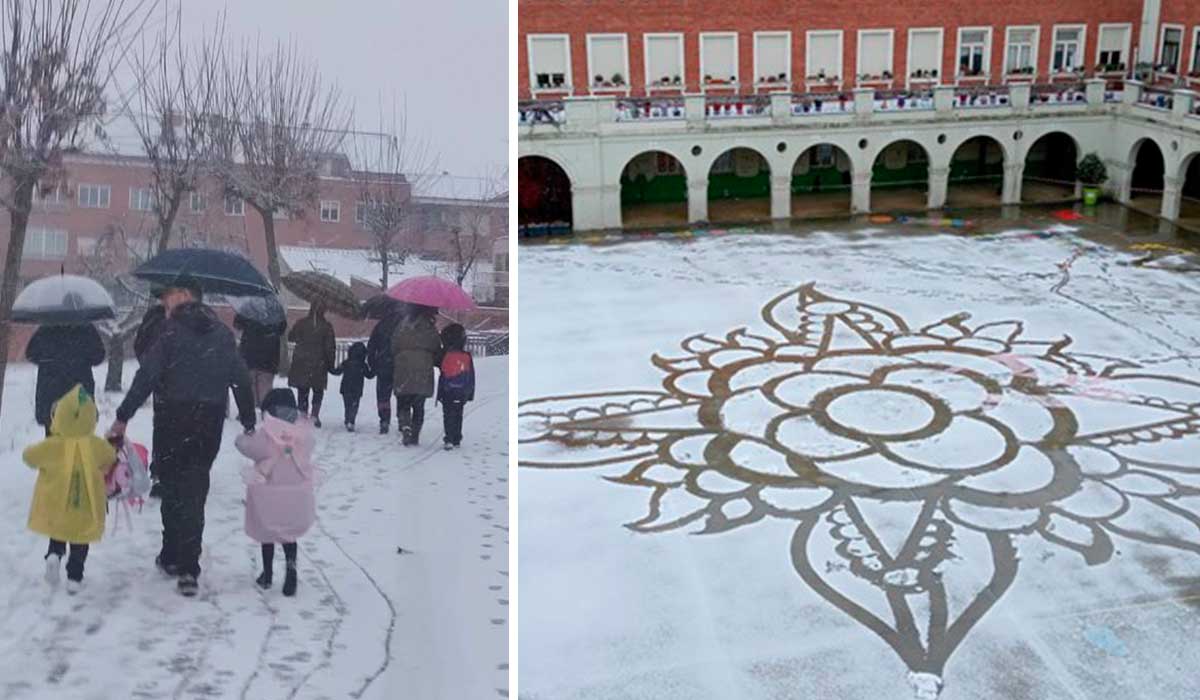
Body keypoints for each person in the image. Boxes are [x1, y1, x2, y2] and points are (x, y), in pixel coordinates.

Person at [109, 279, 256, 598]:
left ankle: (173, 555)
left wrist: (123, 416)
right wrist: (248, 419)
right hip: (209, 420)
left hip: (172, 418)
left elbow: (146, 375)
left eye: (168, 298)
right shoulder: (221, 334)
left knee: (172, 486)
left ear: (185, 296)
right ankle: (188, 566)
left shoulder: (169, 332)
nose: (165, 304)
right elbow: (241, 379)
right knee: (195, 488)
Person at [23, 385, 117, 594]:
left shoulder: (53, 445)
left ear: (59, 417)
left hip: (58, 503)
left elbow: (29, 457)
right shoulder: (95, 445)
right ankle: (75, 576)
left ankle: (54, 555)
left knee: (58, 532)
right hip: (85, 505)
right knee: (80, 540)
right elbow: (111, 458)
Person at [236, 388, 316, 598]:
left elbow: (246, 446)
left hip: (268, 494)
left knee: (267, 533)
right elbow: (310, 447)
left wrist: (244, 436)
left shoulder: (265, 435)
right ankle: (291, 570)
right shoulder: (302, 434)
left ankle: (268, 573)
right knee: (289, 535)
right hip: (296, 495)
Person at [25, 323, 105, 437]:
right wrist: (81, 358)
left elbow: (31, 354)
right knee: (80, 439)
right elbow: (99, 356)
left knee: (53, 440)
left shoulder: (46, 328)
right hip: (79, 391)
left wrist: (48, 361)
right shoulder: (85, 327)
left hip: (51, 393)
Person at [391, 304, 443, 446]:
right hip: (423, 368)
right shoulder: (430, 328)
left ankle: (405, 425)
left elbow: (394, 345)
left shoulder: (402, 326)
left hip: (403, 366)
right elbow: (436, 348)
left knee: (404, 401)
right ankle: (415, 434)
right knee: (419, 405)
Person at [134, 300, 168, 498]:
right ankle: (175, 473)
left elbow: (139, 345)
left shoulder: (154, 317)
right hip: (186, 384)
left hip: (163, 382)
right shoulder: (200, 318)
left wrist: (150, 368)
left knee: (163, 426)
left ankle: (160, 473)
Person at [287, 303, 335, 428]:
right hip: (319, 363)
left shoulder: (301, 323)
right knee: (318, 390)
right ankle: (314, 416)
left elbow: (291, 337)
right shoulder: (326, 327)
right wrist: (330, 364)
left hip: (301, 361)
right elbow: (330, 348)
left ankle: (302, 415)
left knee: (302, 389)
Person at [234, 313, 287, 410]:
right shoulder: (274, 309)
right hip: (269, 355)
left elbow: (237, 324)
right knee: (265, 387)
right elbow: (282, 328)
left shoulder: (248, 308)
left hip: (249, 353)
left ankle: (251, 410)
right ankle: (264, 411)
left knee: (250, 385)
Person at [436, 323, 475, 450]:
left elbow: (442, 371)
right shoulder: (466, 356)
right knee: (458, 413)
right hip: (461, 390)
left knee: (448, 414)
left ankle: (449, 438)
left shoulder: (445, 354)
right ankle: (457, 437)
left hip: (447, 390)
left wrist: (440, 393)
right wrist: (470, 393)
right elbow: (471, 375)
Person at [367, 306, 404, 434]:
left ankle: (384, 419)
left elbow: (371, 346)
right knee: (402, 394)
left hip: (383, 364)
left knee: (383, 395)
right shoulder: (404, 325)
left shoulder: (380, 326)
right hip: (400, 364)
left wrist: (372, 363)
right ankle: (402, 419)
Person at [329, 341, 374, 432]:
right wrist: (375, 369)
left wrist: (329, 368)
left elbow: (337, 372)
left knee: (347, 404)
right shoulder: (362, 365)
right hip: (357, 388)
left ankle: (347, 419)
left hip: (346, 387)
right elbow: (369, 375)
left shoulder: (346, 363)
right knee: (354, 405)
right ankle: (351, 420)